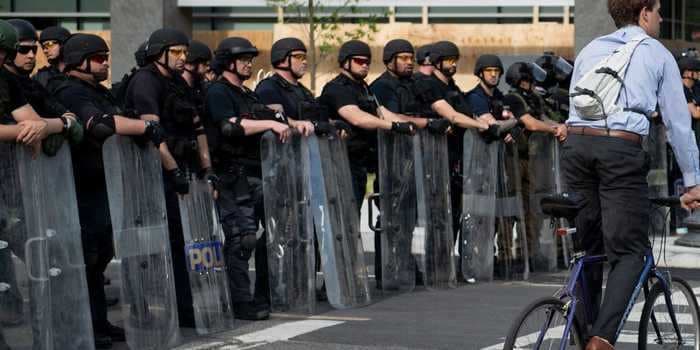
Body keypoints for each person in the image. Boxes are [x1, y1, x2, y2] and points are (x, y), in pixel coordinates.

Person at [567, 0, 700, 348]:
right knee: (631, 252)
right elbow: (678, 125)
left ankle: (580, 330)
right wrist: (692, 182)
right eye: (657, 11)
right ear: (644, 12)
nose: (660, 18)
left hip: (577, 149)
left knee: (590, 249)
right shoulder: (656, 53)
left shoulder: (591, 49)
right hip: (619, 151)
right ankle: (601, 340)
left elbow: (574, 106)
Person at [53, 33, 164, 349]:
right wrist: (145, 128)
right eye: (99, 57)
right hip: (80, 186)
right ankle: (85, 325)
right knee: (86, 259)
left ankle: (98, 322)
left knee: (100, 256)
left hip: (105, 183)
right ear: (80, 61)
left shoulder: (96, 90)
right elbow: (99, 125)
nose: (105, 62)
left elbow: (119, 119)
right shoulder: (69, 90)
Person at [124, 28, 214, 328]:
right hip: (152, 175)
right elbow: (153, 133)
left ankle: (185, 308)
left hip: (181, 170)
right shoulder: (145, 81)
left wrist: (206, 168)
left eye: (184, 52)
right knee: (149, 245)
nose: (182, 57)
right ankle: (142, 309)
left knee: (181, 243)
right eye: (175, 52)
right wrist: (172, 170)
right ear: (158, 52)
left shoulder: (176, 82)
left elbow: (197, 125)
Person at [204, 36, 292, 320]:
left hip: (260, 173)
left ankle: (265, 295)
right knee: (242, 239)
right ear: (228, 61)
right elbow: (229, 127)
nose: (248, 64)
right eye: (243, 59)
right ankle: (240, 301)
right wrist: (268, 122)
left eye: (250, 59)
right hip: (233, 175)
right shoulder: (218, 91)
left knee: (276, 234)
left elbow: (273, 118)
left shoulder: (248, 93)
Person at [319, 39, 416, 215]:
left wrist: (410, 126)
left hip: (358, 164)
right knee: (342, 217)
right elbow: (356, 117)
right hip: (339, 164)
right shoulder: (336, 88)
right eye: (359, 61)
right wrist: (393, 126)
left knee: (353, 216)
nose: (365, 65)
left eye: (367, 62)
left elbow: (381, 111)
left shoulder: (363, 87)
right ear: (345, 62)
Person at [34, 25, 71, 93]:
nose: (45, 50)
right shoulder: (41, 77)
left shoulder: (78, 73)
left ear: (64, 44)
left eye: (49, 44)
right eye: (43, 47)